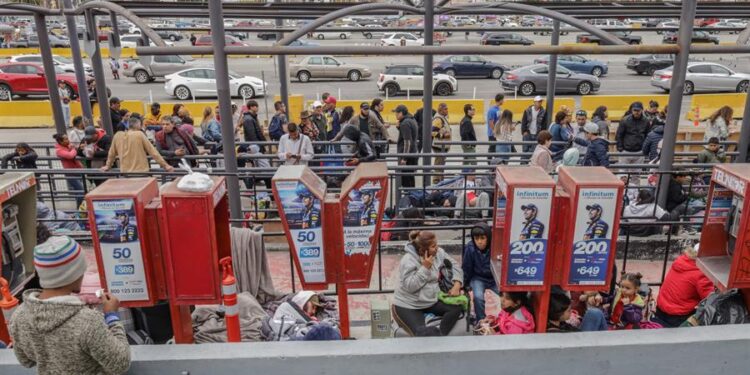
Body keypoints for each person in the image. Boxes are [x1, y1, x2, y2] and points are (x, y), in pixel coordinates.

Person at [9, 235, 130, 374]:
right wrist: (112, 317)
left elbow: (25, 361)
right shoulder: (88, 322)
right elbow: (121, 363)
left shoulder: (19, 316)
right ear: (74, 274)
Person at [392, 231, 464, 337]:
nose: (437, 248)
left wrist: (457, 285)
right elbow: (411, 286)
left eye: (436, 244)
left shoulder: (439, 253)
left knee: (456, 308)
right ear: (423, 250)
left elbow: (455, 265)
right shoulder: (408, 260)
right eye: (433, 246)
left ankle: (440, 335)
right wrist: (425, 268)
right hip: (409, 305)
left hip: (431, 301)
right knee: (422, 333)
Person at [654, 243, 715, 328]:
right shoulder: (701, 273)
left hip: (660, 310)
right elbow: (710, 298)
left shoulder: (681, 261)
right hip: (677, 317)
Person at [102, 117, 173, 173]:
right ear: (138, 125)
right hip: (141, 171)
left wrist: (108, 166)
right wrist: (165, 165)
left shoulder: (117, 136)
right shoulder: (139, 134)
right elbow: (153, 152)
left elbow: (111, 153)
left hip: (125, 172)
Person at [462, 223, 498, 322]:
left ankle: (506, 321)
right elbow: (466, 267)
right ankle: (481, 322)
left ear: (488, 238)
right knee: (478, 297)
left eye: (482, 238)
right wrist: (465, 283)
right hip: (478, 278)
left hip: (495, 278)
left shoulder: (495, 246)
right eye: (476, 239)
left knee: (506, 296)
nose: (479, 242)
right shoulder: (470, 248)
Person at [54, 133, 85, 207]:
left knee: (78, 192)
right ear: (61, 142)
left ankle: (80, 209)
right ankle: (79, 209)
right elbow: (70, 155)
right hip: (70, 173)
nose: (68, 140)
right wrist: (73, 149)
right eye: (66, 139)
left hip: (77, 170)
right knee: (81, 191)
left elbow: (73, 153)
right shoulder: (59, 150)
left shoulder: (68, 146)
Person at [395, 105, 419, 188]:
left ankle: (408, 198)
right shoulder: (411, 119)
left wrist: (404, 158)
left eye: (396, 113)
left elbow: (407, 142)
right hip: (413, 153)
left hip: (408, 156)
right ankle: (411, 198)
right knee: (410, 179)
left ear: (401, 113)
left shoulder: (405, 123)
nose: (395, 115)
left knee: (406, 181)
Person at [431, 103, 451, 183]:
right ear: (440, 110)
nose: (447, 110)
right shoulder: (438, 119)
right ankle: (436, 182)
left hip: (442, 147)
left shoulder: (442, 118)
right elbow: (432, 132)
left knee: (441, 166)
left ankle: (440, 181)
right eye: (445, 109)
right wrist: (443, 135)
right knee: (438, 166)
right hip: (439, 147)